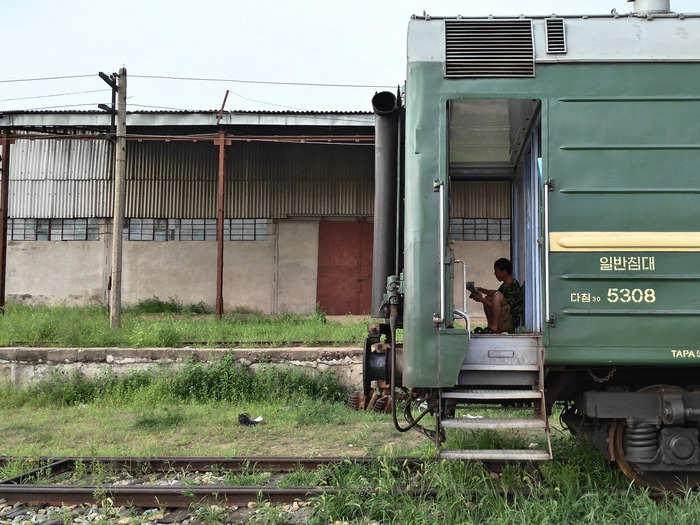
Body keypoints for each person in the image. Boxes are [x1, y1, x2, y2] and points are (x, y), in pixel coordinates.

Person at [469, 258, 523, 333]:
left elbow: (502, 307)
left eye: (496, 271)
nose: (495, 274)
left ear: (504, 272)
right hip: (504, 320)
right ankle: (490, 326)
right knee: (489, 297)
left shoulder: (513, 286)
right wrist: (481, 290)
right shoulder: (505, 285)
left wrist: (482, 300)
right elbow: (495, 294)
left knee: (495, 297)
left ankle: (494, 328)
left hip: (510, 323)